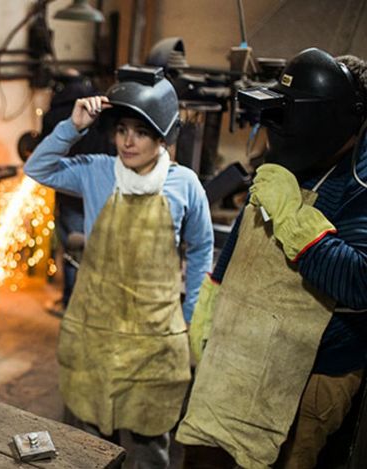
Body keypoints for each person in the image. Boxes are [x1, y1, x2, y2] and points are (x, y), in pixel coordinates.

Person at [179, 48, 367, 469]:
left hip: (312, 374)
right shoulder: (298, 152)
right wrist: (214, 293)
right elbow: (252, 227)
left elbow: (360, 280)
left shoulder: (360, 179)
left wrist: (293, 215)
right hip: (242, 355)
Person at [24, 66, 214, 468]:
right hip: (94, 334)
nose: (128, 142)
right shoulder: (97, 170)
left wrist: (190, 314)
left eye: (141, 132)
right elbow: (37, 169)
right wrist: (72, 128)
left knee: (149, 448)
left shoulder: (184, 185)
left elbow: (201, 249)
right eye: (122, 129)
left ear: (161, 136)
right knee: (88, 447)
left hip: (153, 342)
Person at [40, 72, 116, 316]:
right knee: (93, 249)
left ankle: (70, 303)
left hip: (68, 190)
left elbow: (42, 153)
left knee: (74, 251)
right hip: (98, 190)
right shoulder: (96, 112)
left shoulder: (54, 115)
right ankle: (86, 306)